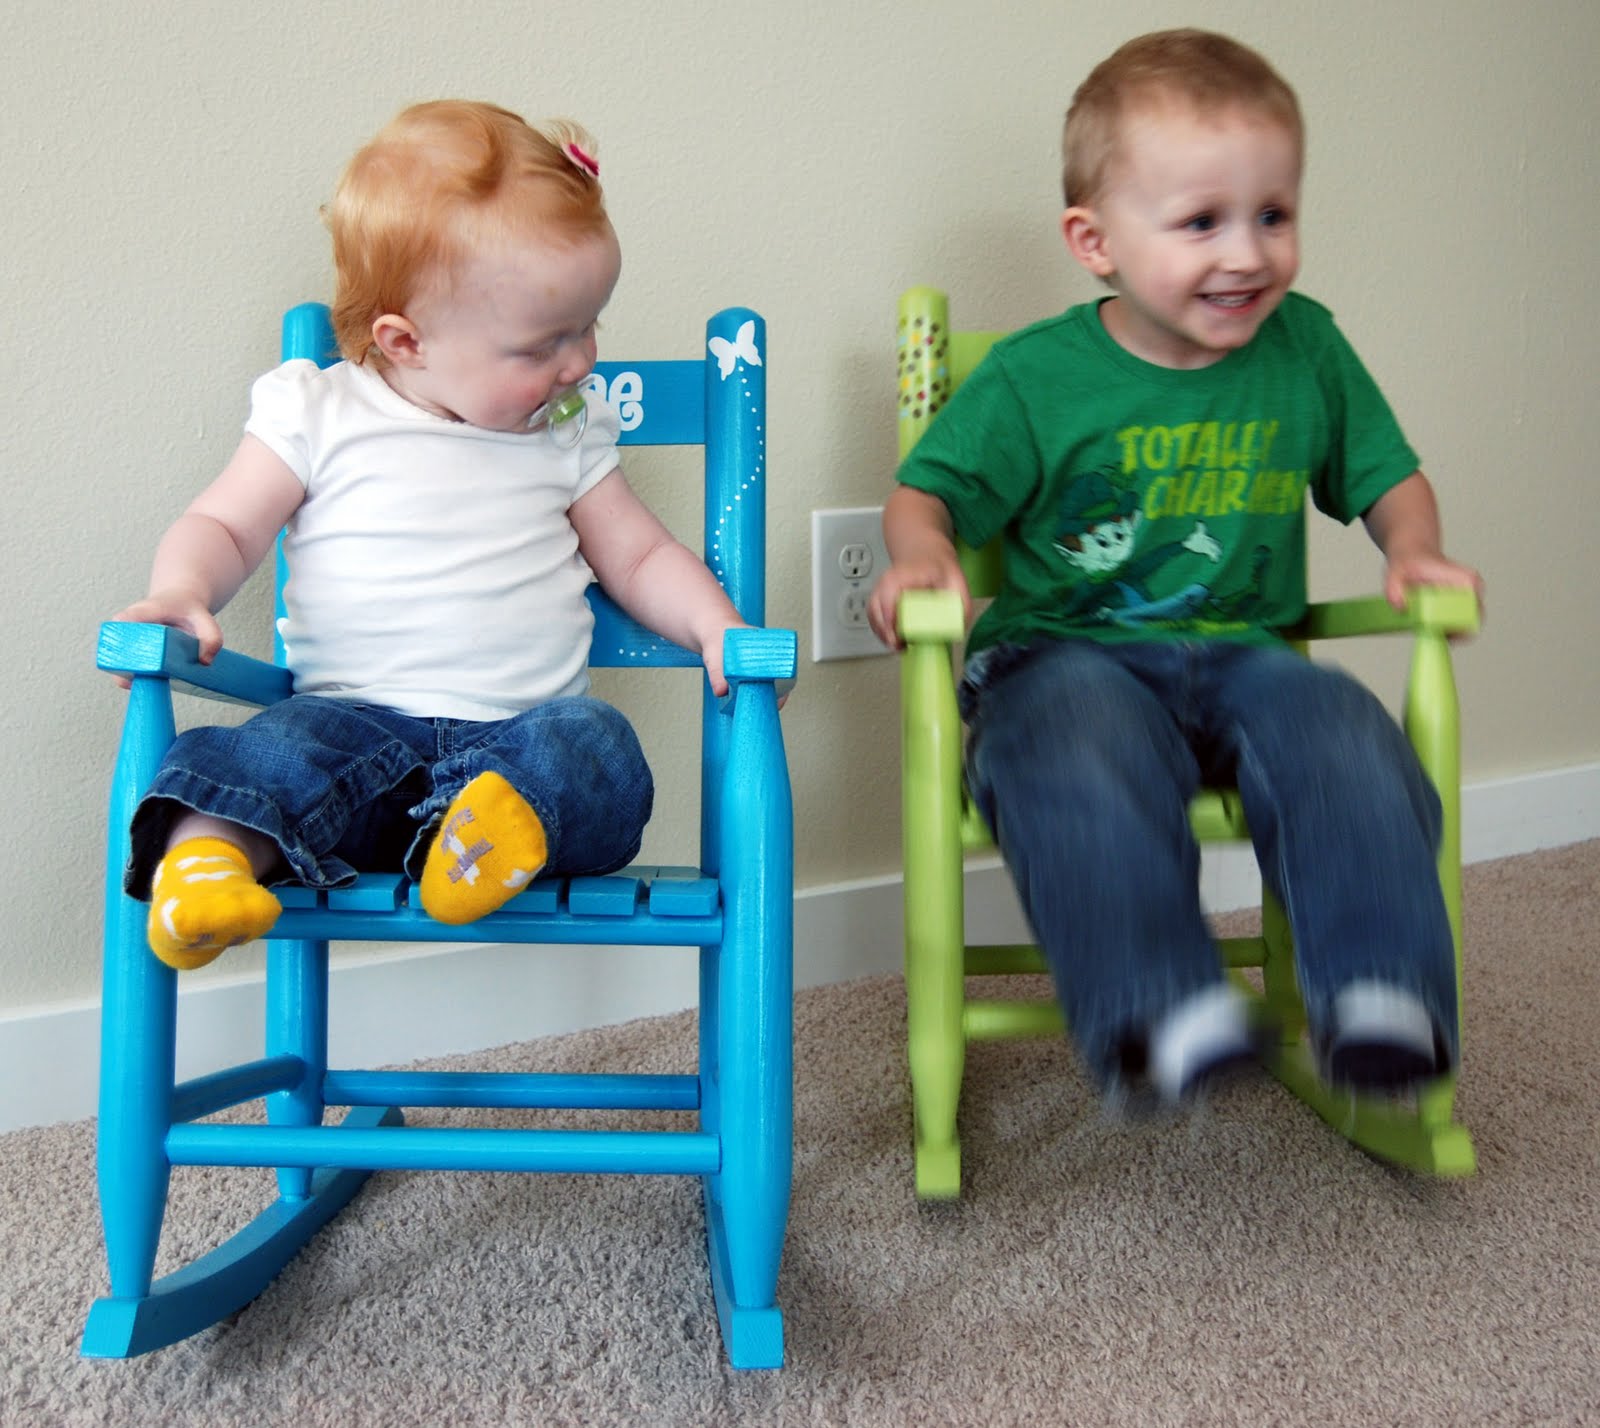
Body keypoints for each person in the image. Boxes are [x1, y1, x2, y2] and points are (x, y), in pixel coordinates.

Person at [867, 30, 1485, 1111]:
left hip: (1249, 659)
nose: (1245, 254)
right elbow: (928, 498)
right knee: (1070, 744)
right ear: (1093, 239)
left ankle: (1379, 992)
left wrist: (1412, 547)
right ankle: (1156, 1003)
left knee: (1347, 734)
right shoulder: (1034, 379)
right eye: (1201, 221)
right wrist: (921, 556)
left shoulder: (1308, 351)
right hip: (1066, 660)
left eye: (1272, 215)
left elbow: (1389, 475)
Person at [112, 100, 751, 970]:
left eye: (589, 325)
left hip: (517, 749)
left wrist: (716, 627)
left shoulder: (568, 430)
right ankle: (208, 865)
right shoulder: (320, 411)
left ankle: (480, 838)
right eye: (543, 345)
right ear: (404, 341)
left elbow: (640, 556)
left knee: (597, 745)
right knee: (268, 750)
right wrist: (183, 590)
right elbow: (224, 522)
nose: (580, 362)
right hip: (352, 733)